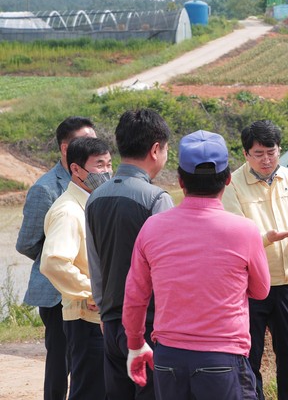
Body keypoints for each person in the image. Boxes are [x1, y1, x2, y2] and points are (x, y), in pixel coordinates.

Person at [122, 129, 271, 399]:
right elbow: (261, 291)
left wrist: (135, 343)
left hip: (168, 360)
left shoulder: (153, 227)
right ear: (227, 179)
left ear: (180, 180)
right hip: (223, 359)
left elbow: (135, 296)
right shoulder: (245, 231)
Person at [222, 120, 288, 400]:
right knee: (250, 356)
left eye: (271, 152)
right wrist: (267, 238)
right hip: (250, 286)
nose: (266, 159)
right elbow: (234, 234)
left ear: (280, 150)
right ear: (245, 154)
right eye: (259, 153)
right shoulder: (233, 185)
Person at [86, 108, 173, 400]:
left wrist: (103, 308)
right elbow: (167, 270)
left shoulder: (95, 198)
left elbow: (95, 263)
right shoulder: (156, 199)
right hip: (146, 324)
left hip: (110, 322)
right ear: (155, 149)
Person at [16, 116, 96, 400]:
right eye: (83, 141)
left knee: (86, 363)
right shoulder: (46, 188)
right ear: (65, 148)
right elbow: (26, 243)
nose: (91, 146)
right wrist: (59, 256)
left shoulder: (94, 181)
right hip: (55, 291)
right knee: (59, 365)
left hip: (86, 291)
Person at [40, 137, 112, 400]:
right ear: (76, 169)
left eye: (109, 164)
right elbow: (53, 262)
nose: (106, 171)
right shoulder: (68, 211)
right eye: (99, 165)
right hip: (86, 318)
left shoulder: (93, 203)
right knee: (89, 391)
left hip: (98, 317)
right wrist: (93, 292)